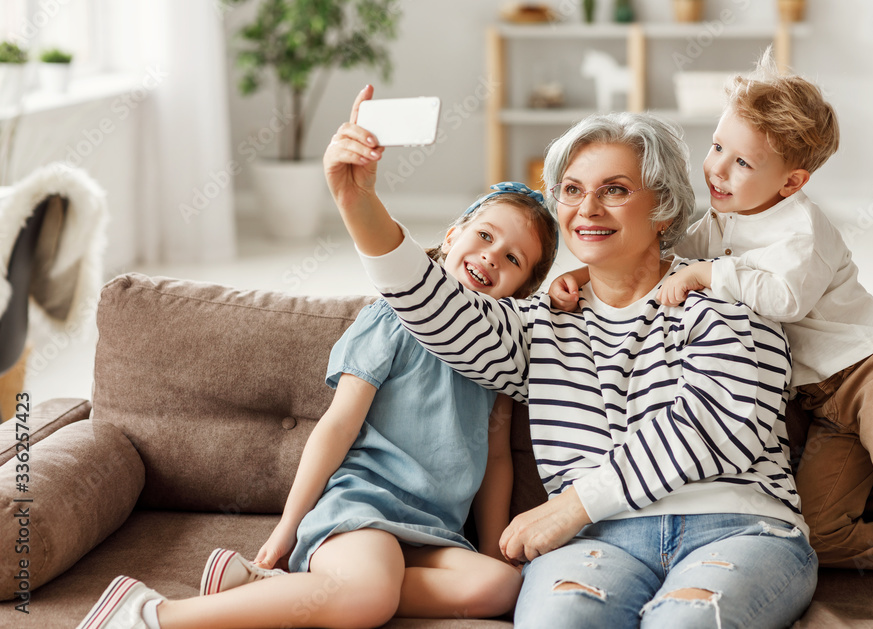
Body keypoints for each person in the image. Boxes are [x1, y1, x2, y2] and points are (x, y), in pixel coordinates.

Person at [327, 85, 817, 627]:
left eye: (614, 190)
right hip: (597, 543)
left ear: (664, 206)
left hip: (737, 525)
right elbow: (437, 308)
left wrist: (571, 506)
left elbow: (717, 423)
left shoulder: (724, 287)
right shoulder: (542, 322)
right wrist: (358, 203)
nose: (588, 209)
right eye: (572, 190)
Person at [552, 48, 873, 585]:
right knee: (820, 530)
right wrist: (581, 276)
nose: (717, 168)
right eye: (718, 146)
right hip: (822, 398)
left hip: (872, 372)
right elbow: (661, 257)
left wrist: (707, 277)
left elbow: (785, 299)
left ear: (790, 183)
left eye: (741, 162)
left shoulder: (801, 229)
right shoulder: (721, 218)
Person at [75, 177, 560, 629]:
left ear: (523, 292)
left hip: (431, 531)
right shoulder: (392, 319)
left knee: (501, 586)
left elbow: (496, 459)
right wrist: (287, 530)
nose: (493, 256)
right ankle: (153, 613)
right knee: (370, 595)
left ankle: (289, 590)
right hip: (360, 510)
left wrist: (495, 549)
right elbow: (337, 425)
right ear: (453, 236)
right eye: (485, 235)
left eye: (514, 259)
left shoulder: (499, 362)